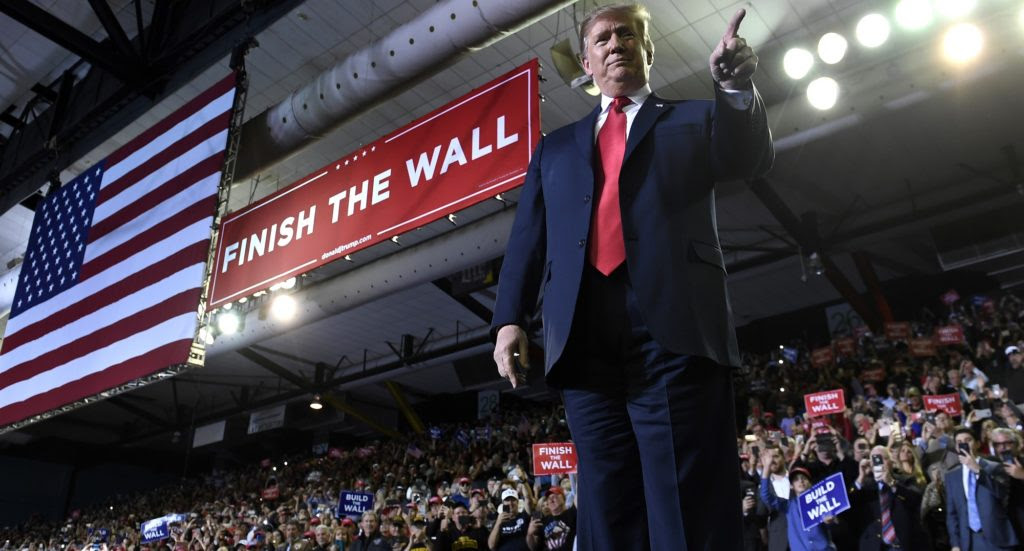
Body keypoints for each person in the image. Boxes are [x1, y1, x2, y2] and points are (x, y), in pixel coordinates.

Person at [489, 2, 773, 549]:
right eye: (601, 39)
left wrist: (734, 89)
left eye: (627, 34)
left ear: (648, 49)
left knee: (684, 500)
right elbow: (528, 239)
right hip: (582, 339)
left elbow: (748, 159)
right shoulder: (554, 148)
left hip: (673, 328)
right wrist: (509, 320)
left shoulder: (694, 118)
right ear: (586, 64)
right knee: (606, 502)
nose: (615, 43)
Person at [944, 427, 1019, 551]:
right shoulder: (951, 476)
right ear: (956, 447)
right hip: (970, 541)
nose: (963, 444)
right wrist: (955, 544)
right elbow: (952, 514)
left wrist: (977, 470)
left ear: (977, 444)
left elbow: (1001, 493)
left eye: (968, 440)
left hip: (998, 538)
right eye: (959, 442)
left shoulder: (995, 467)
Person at [849, 446, 928, 550]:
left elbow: (915, 500)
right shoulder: (865, 487)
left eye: (883, 458)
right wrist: (860, 478)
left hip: (902, 545)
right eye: (875, 459)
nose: (879, 462)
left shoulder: (905, 481)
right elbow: (848, 504)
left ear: (891, 462)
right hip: (874, 546)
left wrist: (891, 483)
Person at [758, 453, 834, 551]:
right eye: (796, 480)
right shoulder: (788, 505)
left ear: (810, 483)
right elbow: (765, 495)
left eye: (804, 478)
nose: (801, 481)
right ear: (791, 486)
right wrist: (766, 468)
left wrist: (829, 522)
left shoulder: (821, 502)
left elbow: (834, 528)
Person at [526, 487, 575, 551]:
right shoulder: (542, 522)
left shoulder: (572, 513)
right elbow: (533, 547)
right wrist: (530, 534)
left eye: (555, 495)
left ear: (563, 498)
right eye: (548, 498)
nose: (551, 499)